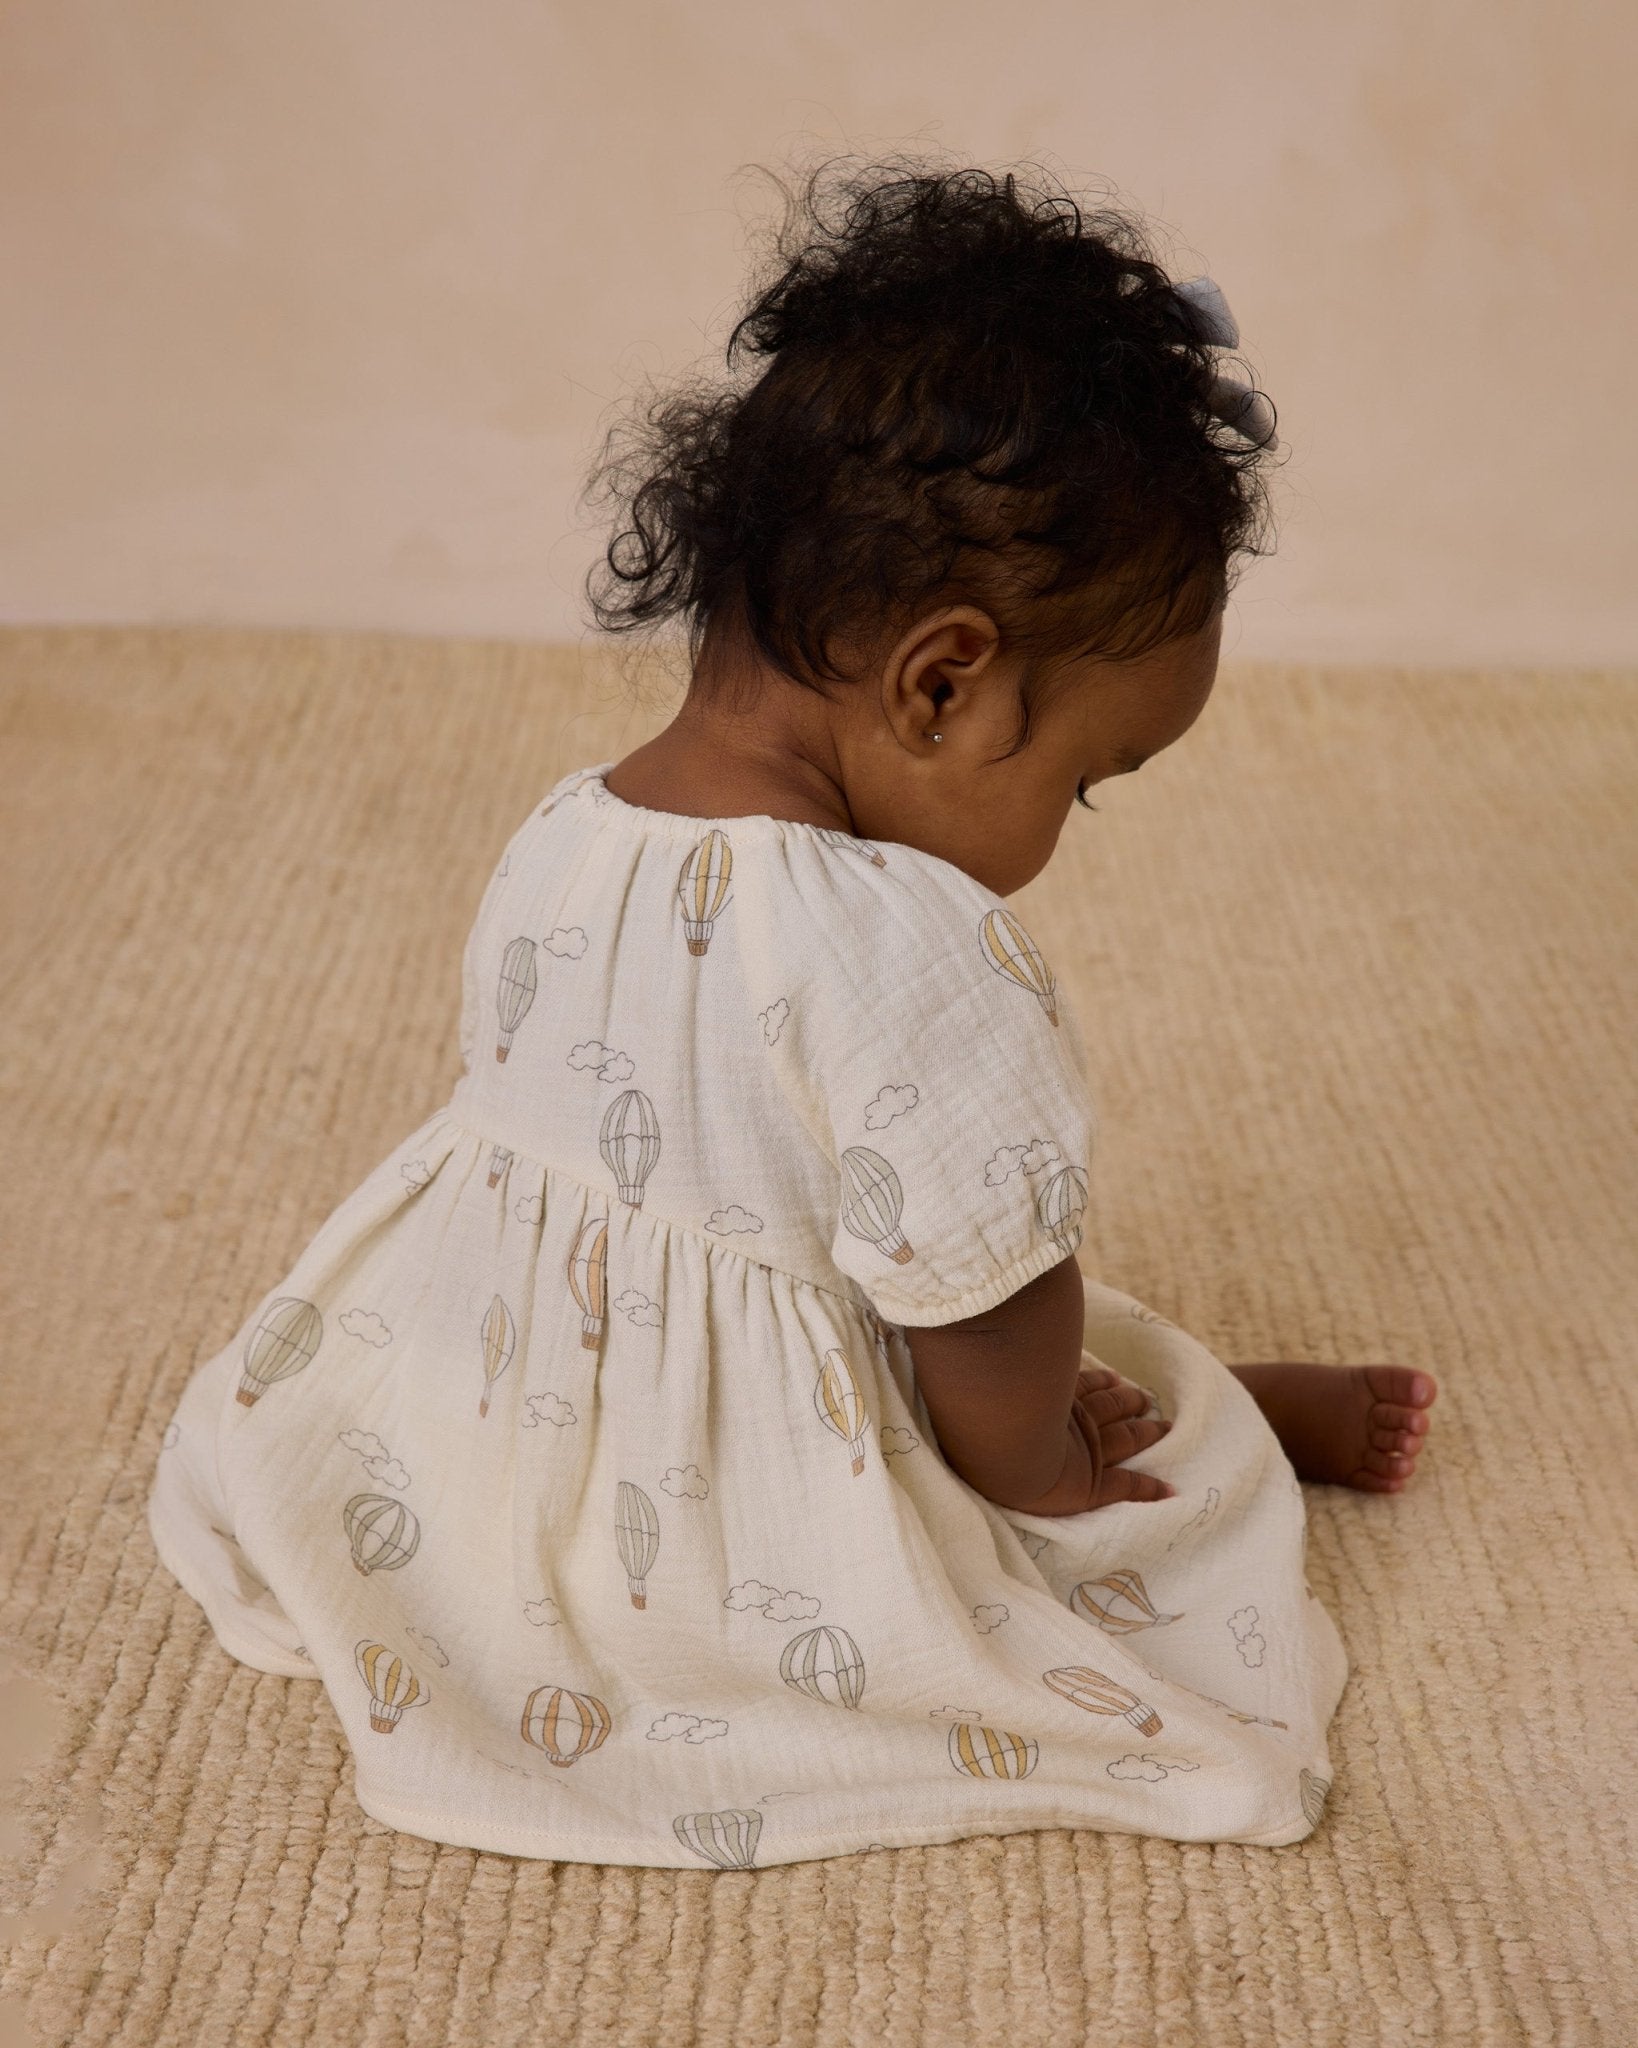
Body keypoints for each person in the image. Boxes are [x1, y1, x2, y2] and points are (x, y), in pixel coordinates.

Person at [147, 154, 1437, 1872]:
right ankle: (1225, 1429)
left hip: (478, 1398)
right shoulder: (910, 950)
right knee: (1093, 1469)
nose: (1068, 827)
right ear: (942, 681)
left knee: (963, 1334)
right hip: (716, 1491)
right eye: (1086, 779)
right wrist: (1038, 1474)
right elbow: (984, 1305)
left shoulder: (566, 826)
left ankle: (1196, 1410)